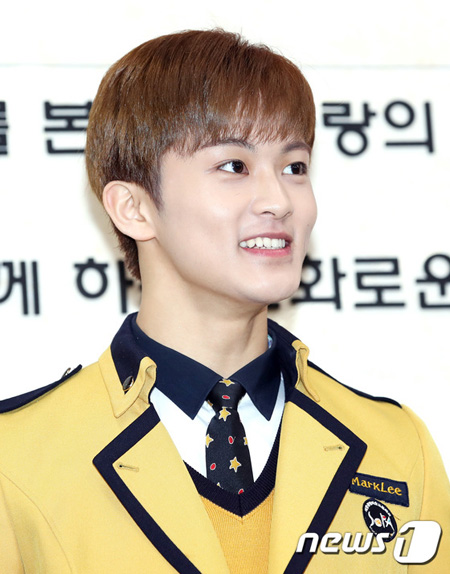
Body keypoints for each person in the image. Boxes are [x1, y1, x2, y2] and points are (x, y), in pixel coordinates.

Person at [0, 29, 448, 574]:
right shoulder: (16, 458)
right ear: (134, 208)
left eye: (294, 167)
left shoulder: (398, 448)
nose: (279, 201)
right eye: (234, 166)